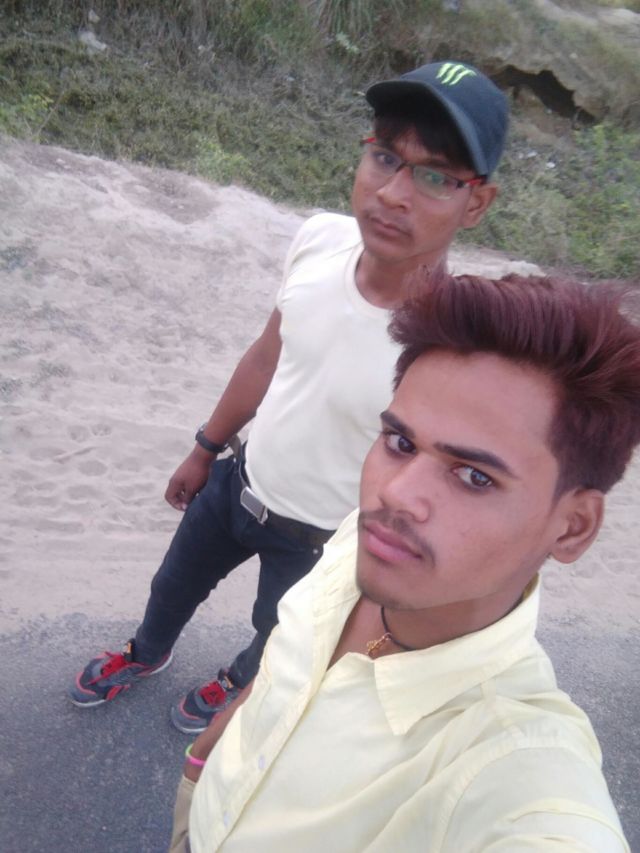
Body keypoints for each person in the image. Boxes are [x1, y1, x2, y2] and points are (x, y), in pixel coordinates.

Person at [68, 61, 508, 734]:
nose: (393, 193)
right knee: (171, 586)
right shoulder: (321, 239)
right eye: (386, 157)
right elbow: (267, 355)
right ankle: (146, 652)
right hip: (236, 485)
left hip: (321, 543)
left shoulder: (450, 346)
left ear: (475, 203)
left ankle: (239, 682)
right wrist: (205, 448)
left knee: (277, 631)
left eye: (436, 176)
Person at [174, 269, 638, 852]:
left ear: (573, 527)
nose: (395, 494)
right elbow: (283, 670)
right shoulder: (364, 540)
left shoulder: (519, 772)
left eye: (474, 476)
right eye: (400, 443)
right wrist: (202, 761)